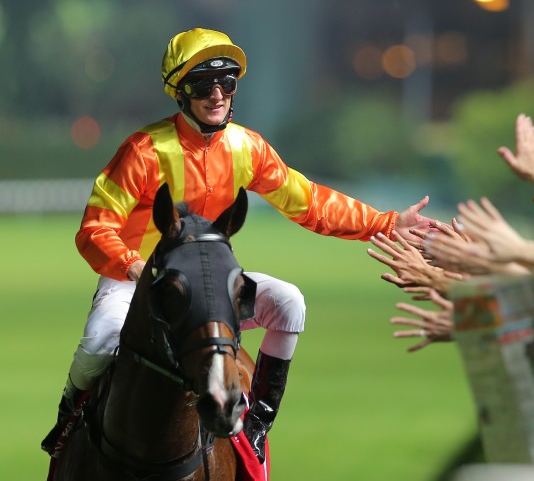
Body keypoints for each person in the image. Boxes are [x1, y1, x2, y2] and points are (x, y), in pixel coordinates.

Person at [41, 27, 438, 462]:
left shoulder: (247, 147)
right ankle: (68, 419)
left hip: (211, 281)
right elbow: (95, 229)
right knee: (100, 339)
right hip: (136, 277)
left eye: (227, 82)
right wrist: (137, 268)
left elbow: (310, 203)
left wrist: (388, 223)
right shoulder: (143, 151)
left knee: (289, 303)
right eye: (202, 85)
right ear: (179, 92)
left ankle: (258, 425)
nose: (217, 94)